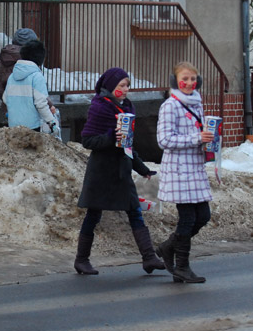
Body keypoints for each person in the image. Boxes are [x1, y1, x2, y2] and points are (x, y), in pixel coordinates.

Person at [74, 67, 165, 276]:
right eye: (121, 86)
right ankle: (81, 259)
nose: (125, 90)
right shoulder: (99, 108)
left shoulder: (127, 108)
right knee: (93, 214)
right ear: (110, 87)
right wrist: (111, 137)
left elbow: (128, 145)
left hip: (121, 171)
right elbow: (88, 140)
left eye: (127, 85)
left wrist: (142, 168)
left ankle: (149, 257)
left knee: (134, 211)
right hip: (101, 172)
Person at [155, 61, 214, 283]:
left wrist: (208, 141)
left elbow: (197, 133)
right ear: (175, 81)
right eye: (185, 78)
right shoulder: (170, 105)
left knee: (203, 216)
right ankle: (182, 266)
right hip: (179, 170)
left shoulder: (197, 103)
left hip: (195, 167)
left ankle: (169, 247)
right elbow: (164, 140)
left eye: (193, 79)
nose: (189, 83)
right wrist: (196, 138)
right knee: (188, 218)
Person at [2, 39, 59, 135]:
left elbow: (5, 98)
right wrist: (51, 123)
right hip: (32, 128)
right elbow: (41, 104)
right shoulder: (37, 76)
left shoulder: (12, 76)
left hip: (13, 127)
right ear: (41, 59)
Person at [0, 29, 56, 117]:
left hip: (10, 108)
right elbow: (37, 91)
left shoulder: (5, 56)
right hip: (29, 109)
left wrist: (8, 102)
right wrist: (50, 105)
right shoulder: (29, 58)